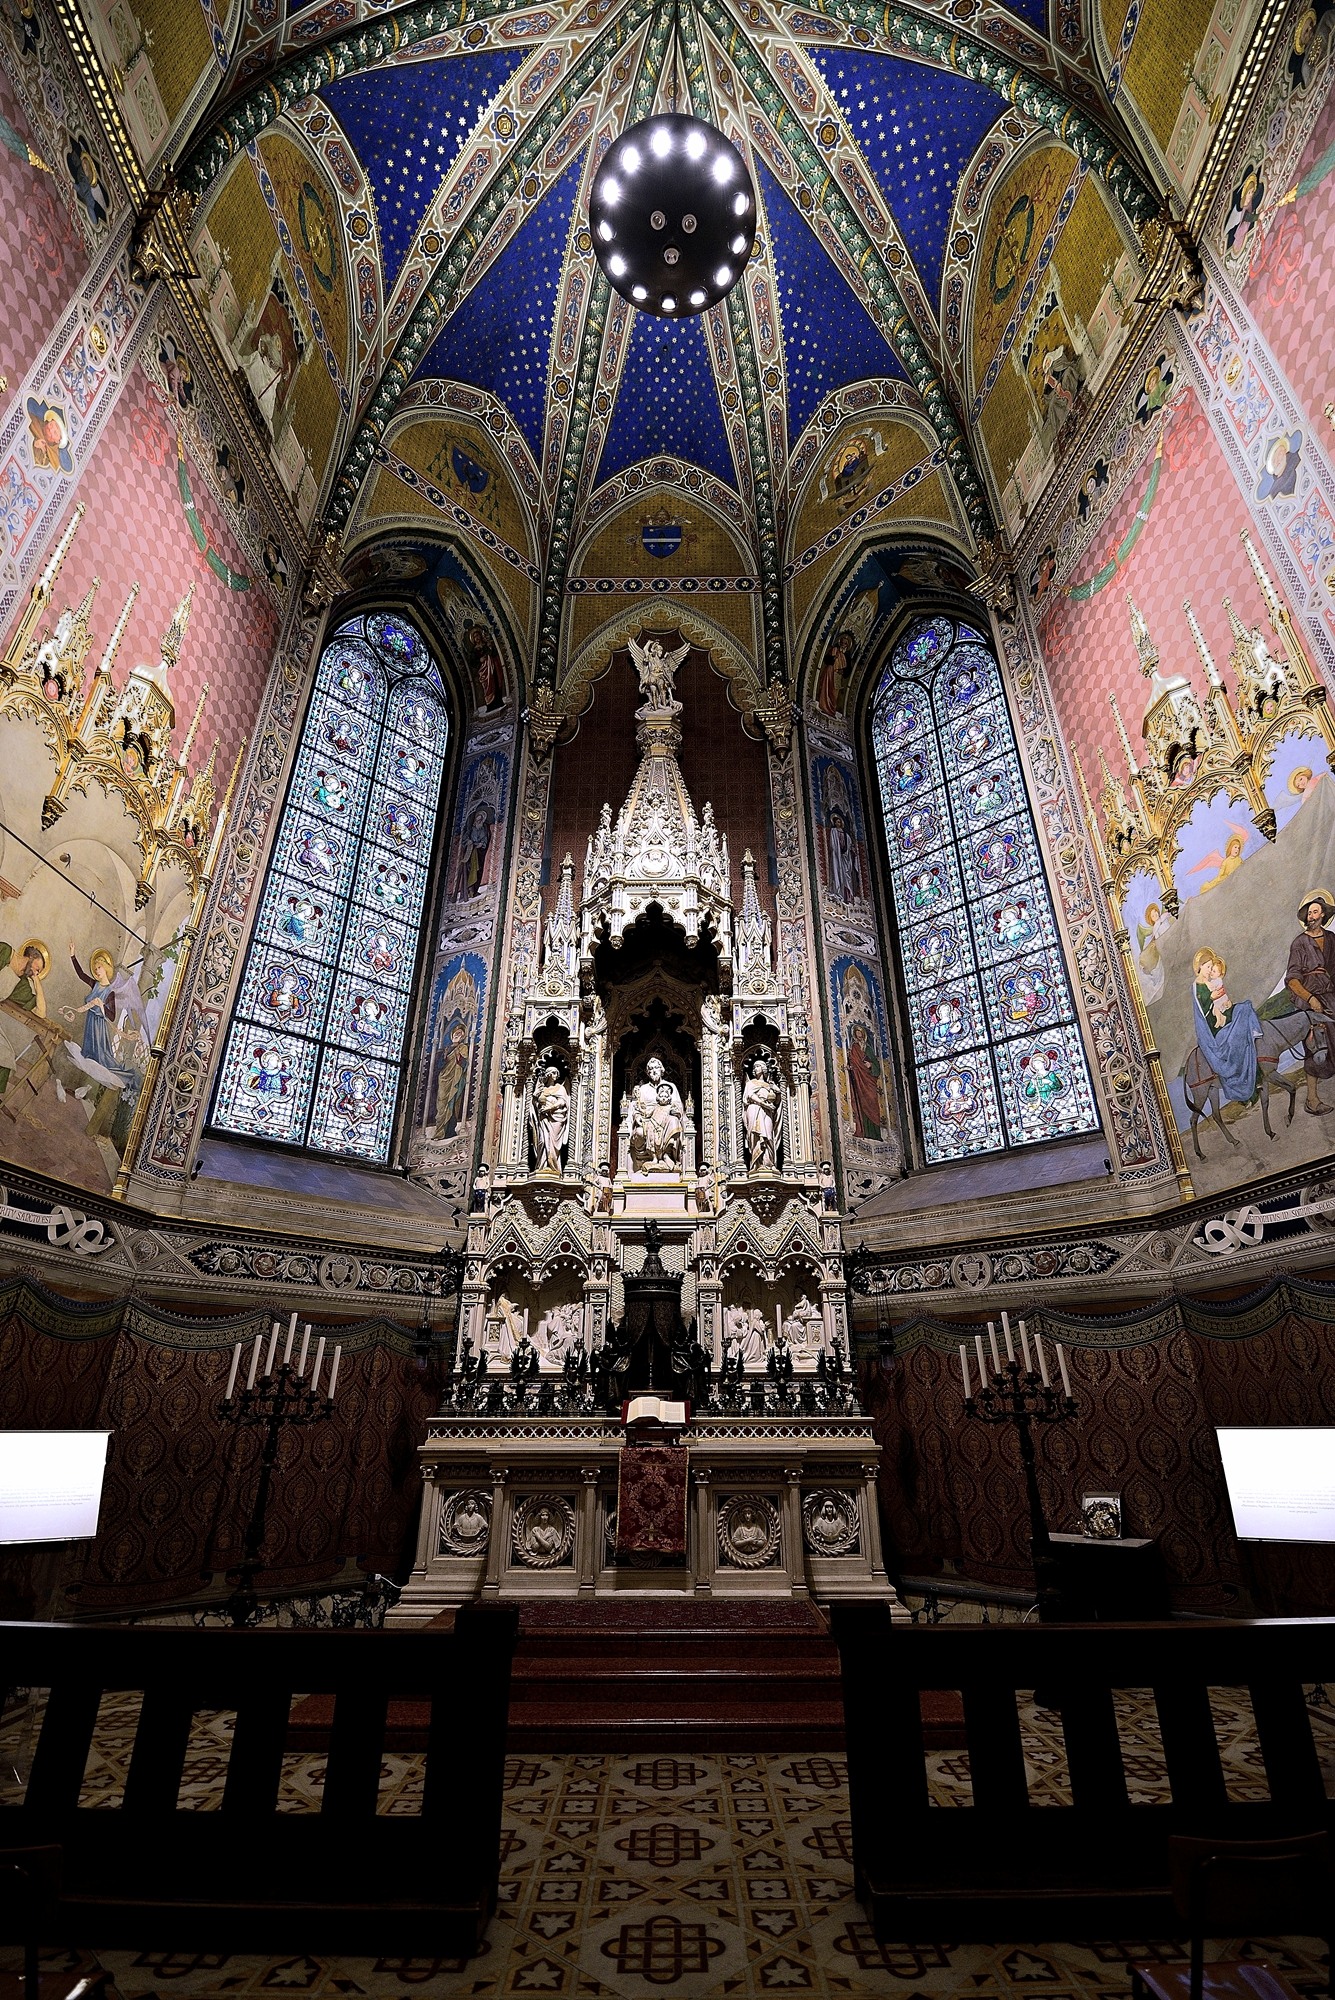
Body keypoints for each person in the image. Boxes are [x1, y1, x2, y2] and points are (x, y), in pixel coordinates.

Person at [1191, 946, 1263, 1110]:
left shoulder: (1208, 982)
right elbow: (1203, 1011)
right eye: (1208, 967)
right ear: (1200, 967)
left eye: (1211, 967)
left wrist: (1224, 1002)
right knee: (1241, 1016)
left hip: (1222, 1014)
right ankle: (1245, 1088)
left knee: (1244, 1008)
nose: (1210, 970)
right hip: (1213, 1027)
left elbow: (1220, 998)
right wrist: (1213, 999)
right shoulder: (1197, 987)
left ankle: (1254, 1037)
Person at [1286, 892, 1335, 1115]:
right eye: (1309, 912)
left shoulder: (1332, 939)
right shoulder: (1299, 943)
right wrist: (1311, 999)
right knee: (1314, 1047)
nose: (1311, 915)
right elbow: (1293, 979)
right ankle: (1312, 1100)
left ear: (1323, 914)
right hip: (1310, 1002)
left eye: (1315, 911)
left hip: (1332, 995)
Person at [741, 1055, 781, 1171]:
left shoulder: (770, 1085)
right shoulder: (750, 1083)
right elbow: (749, 1096)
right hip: (754, 1110)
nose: (755, 1069)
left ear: (764, 1068)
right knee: (755, 1135)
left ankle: (769, 1163)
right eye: (754, 1067)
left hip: (767, 1112)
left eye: (758, 1066)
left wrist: (777, 1092)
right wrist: (763, 1104)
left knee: (768, 1135)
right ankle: (756, 1164)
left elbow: (777, 1103)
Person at [530, 1062, 570, 1171]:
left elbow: (563, 1101)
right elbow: (534, 1105)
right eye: (553, 1073)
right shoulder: (542, 1089)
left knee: (553, 1145)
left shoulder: (560, 1088)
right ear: (548, 1075)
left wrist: (550, 1108)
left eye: (557, 1073)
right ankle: (541, 1166)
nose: (556, 1075)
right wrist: (535, 1097)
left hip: (556, 1118)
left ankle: (554, 1167)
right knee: (542, 1141)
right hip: (543, 1119)